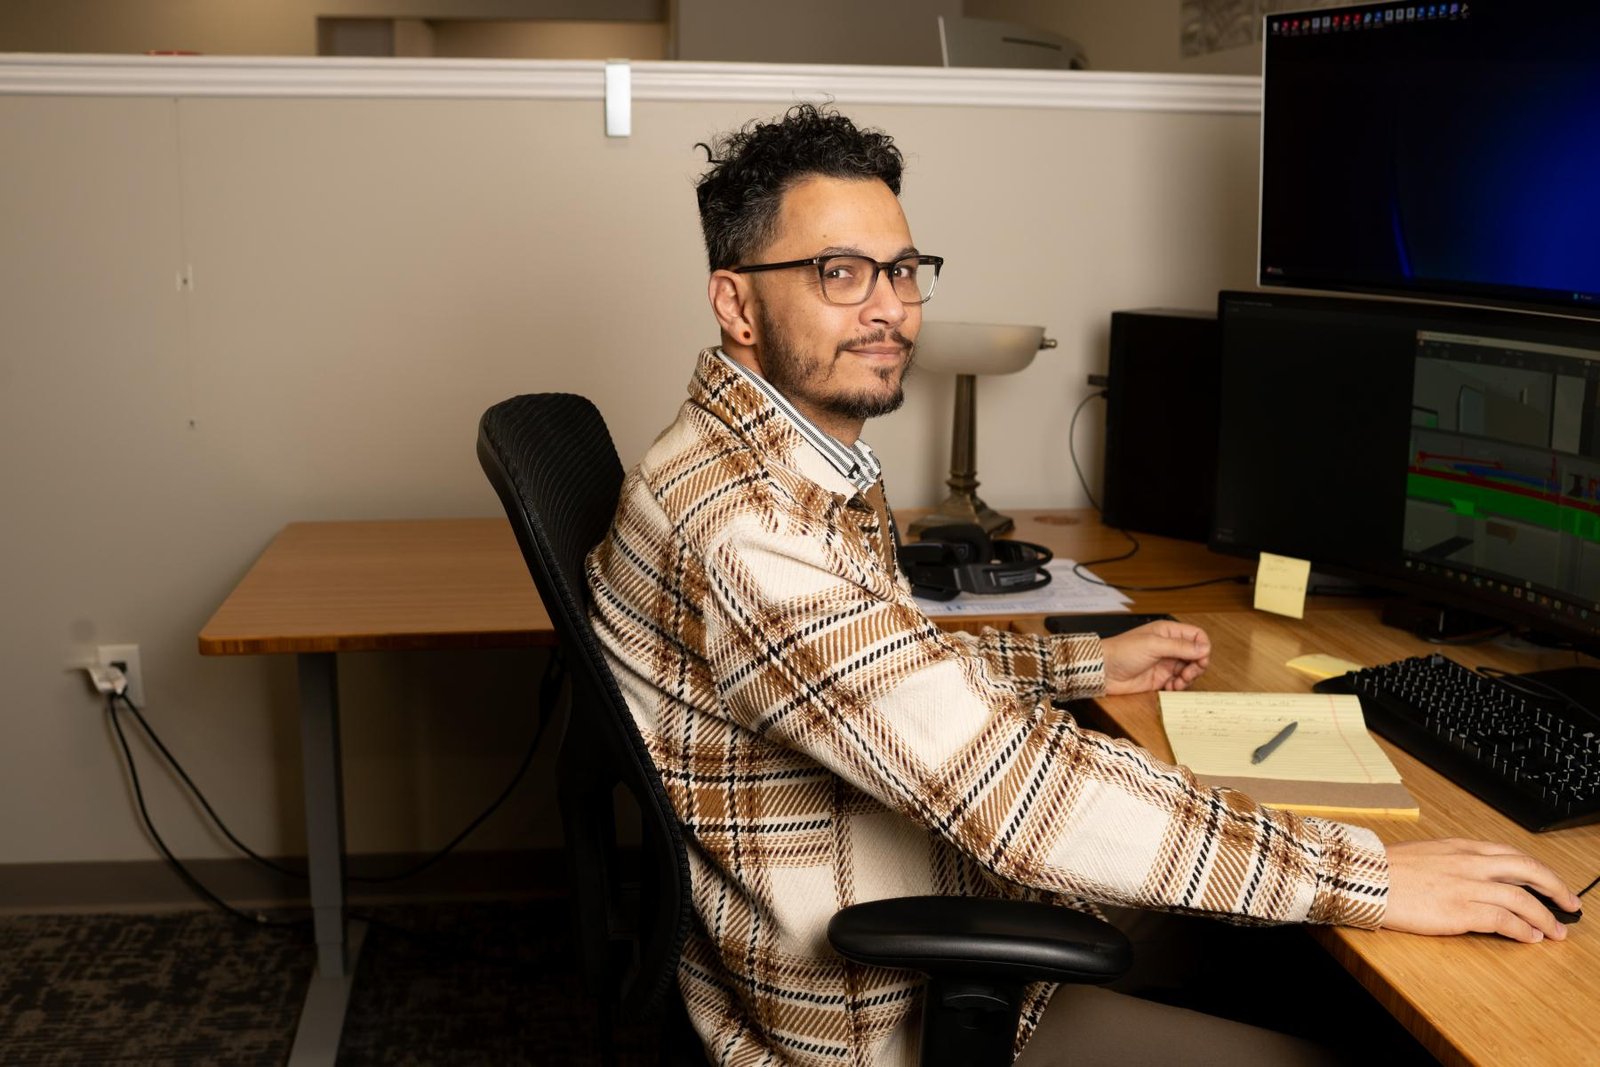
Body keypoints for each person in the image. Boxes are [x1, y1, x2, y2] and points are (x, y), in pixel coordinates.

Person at [585, 103, 1579, 1066]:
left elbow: (891, 668)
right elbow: (1012, 789)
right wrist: (1365, 873)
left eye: (902, 269)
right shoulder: (751, 532)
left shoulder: (770, 461)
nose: (889, 307)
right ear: (736, 303)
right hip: (883, 1010)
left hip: (937, 888)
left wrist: (1085, 662)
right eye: (838, 273)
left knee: (1299, 950)